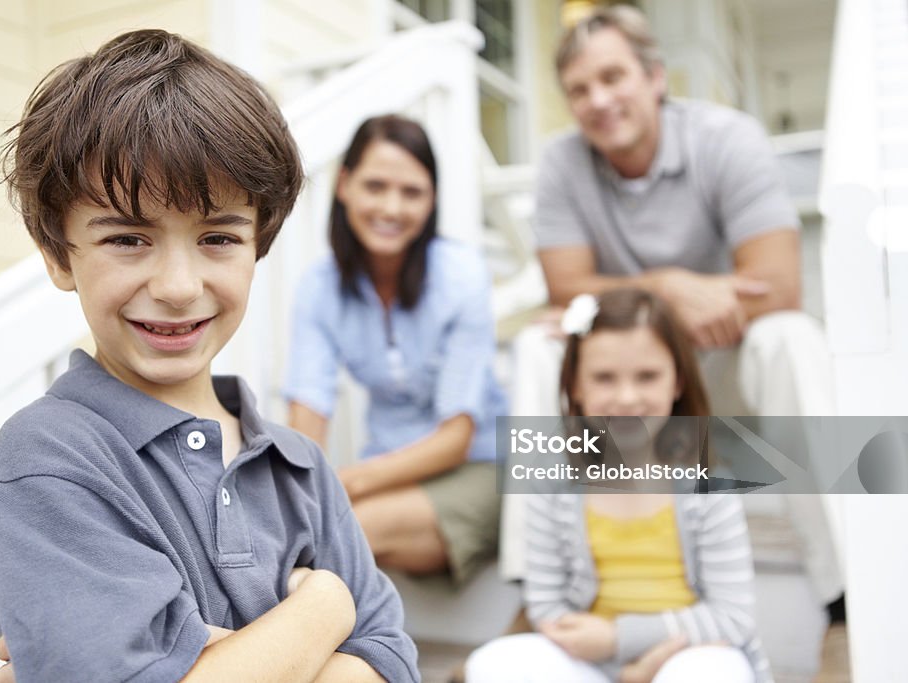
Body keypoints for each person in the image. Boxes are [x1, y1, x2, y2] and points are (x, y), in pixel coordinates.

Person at [0, 30, 418, 682]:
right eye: (127, 237)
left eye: (217, 236)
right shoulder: (47, 459)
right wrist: (323, 609)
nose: (178, 286)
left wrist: (220, 660)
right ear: (59, 254)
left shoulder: (301, 467)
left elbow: (394, 666)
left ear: (258, 244)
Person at [510, 3, 843, 616]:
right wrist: (666, 289)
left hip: (724, 362)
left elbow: (775, 285)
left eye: (613, 78)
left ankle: (845, 594)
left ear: (655, 77)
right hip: (628, 374)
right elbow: (564, 289)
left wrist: (648, 298)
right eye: (579, 90)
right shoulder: (563, 162)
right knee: (537, 346)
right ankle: (537, 586)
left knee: (790, 338)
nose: (598, 100)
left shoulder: (727, 138)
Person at [468, 289, 772, 683]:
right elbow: (546, 606)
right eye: (604, 378)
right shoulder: (551, 480)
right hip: (591, 663)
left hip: (685, 656)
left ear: (677, 382)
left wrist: (621, 641)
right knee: (492, 665)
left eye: (647, 377)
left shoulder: (709, 485)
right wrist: (612, 659)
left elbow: (733, 616)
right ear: (575, 386)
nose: (627, 398)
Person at [284, 114, 507, 586]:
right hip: (386, 468)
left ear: (433, 201)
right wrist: (306, 489)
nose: (391, 207)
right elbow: (307, 412)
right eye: (376, 186)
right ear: (344, 185)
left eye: (412, 192)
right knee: (298, 531)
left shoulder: (461, 276)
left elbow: (457, 437)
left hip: (480, 465)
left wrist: (349, 483)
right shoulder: (319, 288)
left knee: (341, 535)